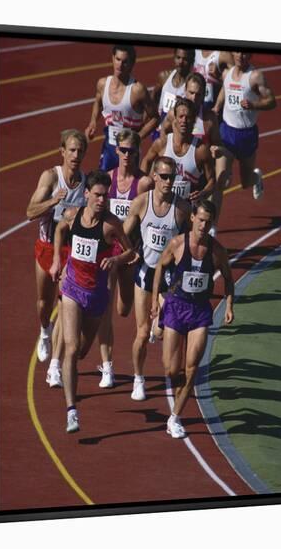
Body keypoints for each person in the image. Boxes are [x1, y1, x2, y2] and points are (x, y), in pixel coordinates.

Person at [49, 170, 134, 433]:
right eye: (97, 195)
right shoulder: (72, 215)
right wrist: (57, 261)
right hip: (72, 288)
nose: (101, 200)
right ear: (86, 194)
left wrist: (116, 259)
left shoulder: (111, 224)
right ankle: (72, 411)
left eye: (105, 196)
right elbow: (60, 230)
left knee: (83, 351)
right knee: (72, 349)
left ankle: (70, 372)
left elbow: (131, 251)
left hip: (97, 295)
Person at [151, 199, 234, 438]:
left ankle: (175, 417)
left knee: (191, 368)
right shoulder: (178, 244)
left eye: (208, 222)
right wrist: (155, 300)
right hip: (176, 306)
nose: (203, 226)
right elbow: (159, 267)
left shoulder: (217, 251)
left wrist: (229, 304)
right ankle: (158, 330)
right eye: (200, 220)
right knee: (170, 369)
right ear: (192, 219)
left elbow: (228, 278)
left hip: (199, 312)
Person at [123, 156, 191, 401]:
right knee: (141, 334)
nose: (167, 181)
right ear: (154, 177)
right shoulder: (141, 203)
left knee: (161, 333)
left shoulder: (182, 209)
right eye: (163, 176)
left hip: (169, 276)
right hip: (145, 271)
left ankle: (157, 326)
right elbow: (123, 233)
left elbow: (189, 242)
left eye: (171, 177)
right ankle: (138, 379)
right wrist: (126, 253)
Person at [26, 129, 88, 388]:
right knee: (44, 303)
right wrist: (53, 201)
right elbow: (29, 212)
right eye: (71, 150)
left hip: (69, 253)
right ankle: (44, 331)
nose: (75, 155)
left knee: (65, 307)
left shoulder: (85, 182)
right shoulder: (51, 177)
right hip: (47, 247)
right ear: (62, 151)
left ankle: (55, 366)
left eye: (79, 151)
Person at [97, 129, 153, 389]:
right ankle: (107, 367)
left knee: (123, 309)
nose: (127, 155)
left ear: (138, 152)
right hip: (110, 255)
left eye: (132, 150)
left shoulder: (144, 184)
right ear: (116, 150)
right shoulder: (107, 181)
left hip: (131, 256)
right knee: (105, 309)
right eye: (123, 150)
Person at [160, 72, 233, 235]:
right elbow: (163, 130)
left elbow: (217, 143)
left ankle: (211, 225)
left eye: (198, 94)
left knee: (218, 180)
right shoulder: (175, 113)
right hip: (177, 169)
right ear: (185, 91)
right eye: (191, 93)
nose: (194, 98)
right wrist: (167, 148)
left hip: (197, 171)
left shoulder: (209, 119)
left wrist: (214, 148)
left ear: (203, 95)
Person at [84, 44, 159, 171]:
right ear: (113, 59)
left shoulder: (137, 90)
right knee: (102, 184)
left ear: (132, 63)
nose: (120, 65)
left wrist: (138, 137)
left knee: (127, 187)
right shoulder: (102, 84)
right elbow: (98, 102)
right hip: (109, 146)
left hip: (130, 151)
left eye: (125, 62)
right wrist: (92, 122)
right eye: (118, 59)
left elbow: (155, 118)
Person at [213, 51, 276, 200]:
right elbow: (225, 89)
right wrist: (217, 106)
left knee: (246, 182)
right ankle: (213, 222)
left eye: (245, 53)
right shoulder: (227, 73)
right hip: (226, 132)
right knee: (221, 181)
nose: (240, 56)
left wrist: (253, 104)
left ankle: (256, 178)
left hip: (246, 135)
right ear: (233, 53)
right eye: (237, 52)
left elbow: (272, 101)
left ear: (250, 55)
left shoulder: (255, 76)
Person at [141, 97, 216, 203]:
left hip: (187, 209)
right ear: (175, 118)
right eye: (181, 116)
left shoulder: (201, 149)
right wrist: (144, 184)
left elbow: (212, 180)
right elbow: (146, 161)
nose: (184, 121)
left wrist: (203, 193)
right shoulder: (162, 143)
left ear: (194, 120)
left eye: (188, 117)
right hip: (162, 205)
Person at [150, 48, 195, 140]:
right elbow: (154, 95)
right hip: (160, 130)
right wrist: (152, 116)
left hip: (178, 133)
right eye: (178, 58)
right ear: (174, 58)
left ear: (191, 61)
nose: (181, 62)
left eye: (185, 59)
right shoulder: (164, 76)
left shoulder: (192, 85)